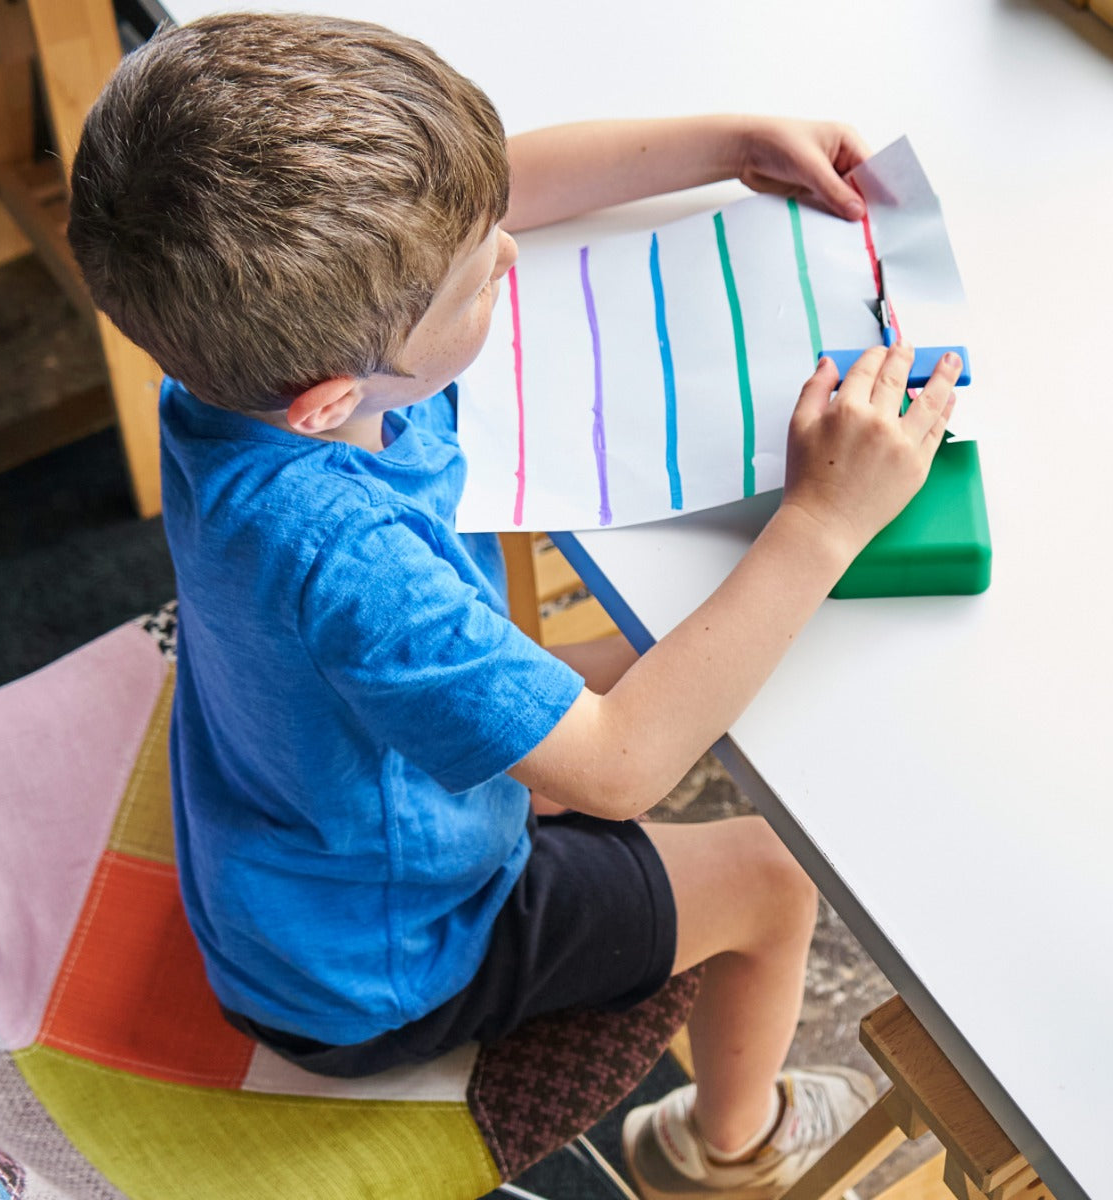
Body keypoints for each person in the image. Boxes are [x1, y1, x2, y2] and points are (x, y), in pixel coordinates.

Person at [67, 14, 961, 1198]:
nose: (507, 257)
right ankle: (722, 1152)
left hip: (292, 848)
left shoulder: (228, 362)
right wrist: (823, 523)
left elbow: (491, 199)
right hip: (378, 963)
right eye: (473, 283)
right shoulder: (350, 559)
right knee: (774, 880)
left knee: (638, 652)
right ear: (332, 399)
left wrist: (730, 142)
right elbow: (620, 768)